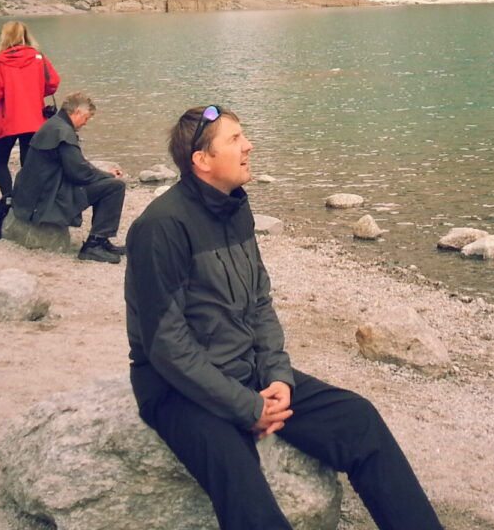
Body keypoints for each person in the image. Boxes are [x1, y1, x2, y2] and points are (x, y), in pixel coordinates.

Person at [124, 104, 445, 530]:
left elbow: (259, 302)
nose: (249, 145)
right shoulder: (160, 227)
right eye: (235, 139)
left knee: (358, 420)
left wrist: (276, 375)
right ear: (202, 160)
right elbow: (166, 345)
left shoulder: (235, 208)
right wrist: (245, 407)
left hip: (246, 368)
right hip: (176, 390)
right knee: (245, 487)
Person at [11, 92, 127, 263]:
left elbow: (75, 166)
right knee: (115, 187)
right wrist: (107, 175)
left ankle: (101, 241)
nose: (85, 123)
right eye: (86, 118)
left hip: (34, 194)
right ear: (77, 113)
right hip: (47, 200)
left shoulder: (54, 125)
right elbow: (80, 172)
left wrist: (101, 174)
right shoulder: (63, 132)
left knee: (105, 182)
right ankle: (95, 244)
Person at [0, 21, 61, 204]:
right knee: (27, 163)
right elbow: (53, 82)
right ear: (25, 35)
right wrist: (36, 92)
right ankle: (27, 201)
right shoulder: (38, 57)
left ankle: (8, 199)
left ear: (4, 36)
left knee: (0, 161)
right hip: (34, 119)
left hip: (7, 121)